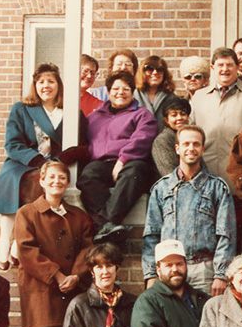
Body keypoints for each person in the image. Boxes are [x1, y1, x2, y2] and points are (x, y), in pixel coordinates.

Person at [0, 63, 85, 270]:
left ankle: (17, 242)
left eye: (51, 81)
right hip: (23, 162)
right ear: (35, 86)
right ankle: (5, 240)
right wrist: (38, 161)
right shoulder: (21, 109)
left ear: (59, 85)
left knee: (44, 180)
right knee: (19, 181)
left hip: (54, 165)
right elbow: (12, 144)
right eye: (41, 82)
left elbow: (83, 144)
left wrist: (64, 157)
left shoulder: (71, 111)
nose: (46, 86)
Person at [15, 160, 94, 327]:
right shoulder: (27, 213)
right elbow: (26, 250)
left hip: (70, 295)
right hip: (39, 294)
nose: (56, 181)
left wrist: (77, 276)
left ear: (68, 183)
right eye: (51, 177)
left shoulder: (78, 216)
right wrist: (58, 276)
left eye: (62, 177)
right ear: (41, 181)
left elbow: (87, 249)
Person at [142, 125, 236, 296]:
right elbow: (151, 234)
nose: (191, 148)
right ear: (177, 148)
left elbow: (226, 234)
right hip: (170, 269)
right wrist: (150, 274)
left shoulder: (217, 187)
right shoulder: (161, 188)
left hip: (204, 270)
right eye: (186, 144)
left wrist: (220, 274)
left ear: (202, 149)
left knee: (205, 320)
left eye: (196, 144)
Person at [78, 69, 158, 243]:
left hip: (132, 163)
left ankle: (105, 223)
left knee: (133, 172)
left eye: (125, 89)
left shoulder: (142, 114)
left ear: (132, 92)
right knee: (87, 176)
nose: (120, 93)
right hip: (102, 164)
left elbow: (142, 139)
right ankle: (108, 226)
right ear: (108, 93)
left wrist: (123, 160)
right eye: (115, 89)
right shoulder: (94, 117)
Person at [191, 47, 242, 185]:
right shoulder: (199, 96)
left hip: (240, 174)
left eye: (229, 65)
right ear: (212, 67)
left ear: (237, 67)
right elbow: (191, 131)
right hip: (205, 172)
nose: (225, 69)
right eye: (220, 65)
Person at [136, 55, 189, 127]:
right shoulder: (133, 96)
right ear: (142, 72)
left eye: (159, 69)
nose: (155, 72)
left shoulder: (172, 98)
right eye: (149, 69)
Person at [151, 98, 191, 177]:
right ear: (167, 120)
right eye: (174, 115)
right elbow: (169, 173)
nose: (179, 118)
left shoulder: (190, 137)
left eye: (183, 114)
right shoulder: (162, 140)